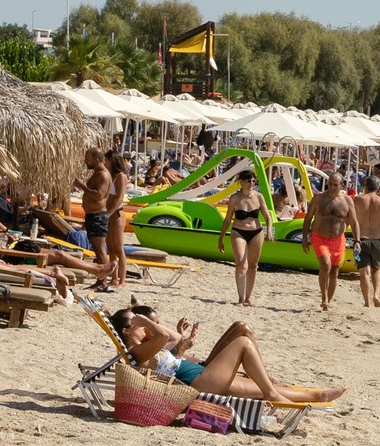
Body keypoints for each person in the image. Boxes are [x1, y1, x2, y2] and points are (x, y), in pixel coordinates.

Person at [114, 310, 343, 404]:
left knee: (241, 329)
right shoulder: (136, 352)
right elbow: (163, 336)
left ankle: (315, 395)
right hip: (201, 382)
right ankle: (271, 391)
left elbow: (171, 338)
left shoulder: (147, 346)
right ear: (127, 331)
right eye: (137, 323)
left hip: (204, 372)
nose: (145, 327)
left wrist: (175, 335)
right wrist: (146, 322)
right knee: (243, 343)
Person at [302, 174, 354, 311]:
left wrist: (358, 241)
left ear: (342, 186)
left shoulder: (347, 201)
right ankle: (324, 297)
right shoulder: (319, 198)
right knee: (325, 264)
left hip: (338, 239)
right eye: (330, 184)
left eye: (335, 185)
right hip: (319, 237)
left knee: (335, 271)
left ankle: (327, 302)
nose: (331, 187)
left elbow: (354, 222)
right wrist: (304, 239)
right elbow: (307, 219)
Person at [217, 168, 268, 307]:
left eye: (253, 181)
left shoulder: (258, 197)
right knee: (241, 263)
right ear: (241, 182)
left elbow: (267, 215)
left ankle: (248, 297)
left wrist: (269, 231)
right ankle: (240, 298)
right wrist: (221, 238)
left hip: (256, 232)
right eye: (249, 181)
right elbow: (227, 220)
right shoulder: (234, 198)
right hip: (238, 231)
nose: (252, 183)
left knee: (253, 266)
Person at [352, 175, 380, 309]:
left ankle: (366, 302)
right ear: (378, 188)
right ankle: (376, 295)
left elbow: (351, 220)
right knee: (377, 269)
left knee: (363, 271)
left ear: (365, 186)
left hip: (361, 241)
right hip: (377, 240)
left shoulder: (358, 200)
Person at [74, 149, 114, 289]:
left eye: (88, 159)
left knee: (100, 249)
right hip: (93, 216)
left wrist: (81, 186)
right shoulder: (97, 174)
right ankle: (100, 280)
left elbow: (99, 195)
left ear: (96, 160)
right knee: (97, 248)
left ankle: (103, 281)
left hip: (98, 216)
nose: (86, 161)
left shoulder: (103, 175)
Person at [104, 148, 130, 289]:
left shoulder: (121, 176)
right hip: (108, 213)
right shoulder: (109, 175)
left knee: (119, 248)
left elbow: (119, 198)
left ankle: (122, 280)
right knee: (111, 248)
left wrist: (107, 214)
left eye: (106, 160)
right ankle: (114, 279)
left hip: (117, 213)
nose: (105, 163)